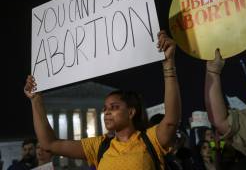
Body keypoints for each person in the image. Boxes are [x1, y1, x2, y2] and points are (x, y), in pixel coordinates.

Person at [24, 30, 182, 170]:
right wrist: (35, 99)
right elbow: (48, 144)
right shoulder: (99, 146)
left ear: (131, 112)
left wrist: (169, 65)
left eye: (114, 107)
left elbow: (170, 121)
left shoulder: (151, 139)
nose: (106, 113)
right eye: (105, 109)